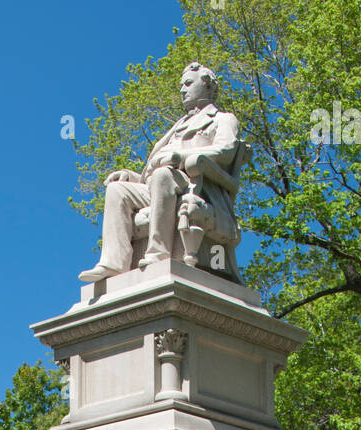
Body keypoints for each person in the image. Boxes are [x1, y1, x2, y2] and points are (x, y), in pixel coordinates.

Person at [79, 62, 240, 283]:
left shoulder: (223, 119)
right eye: (181, 85)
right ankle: (114, 263)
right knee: (117, 189)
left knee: (163, 175)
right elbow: (150, 172)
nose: (182, 89)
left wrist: (181, 157)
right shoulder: (177, 125)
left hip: (195, 183)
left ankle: (158, 254)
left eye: (188, 84)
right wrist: (132, 176)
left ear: (208, 86)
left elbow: (226, 150)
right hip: (160, 184)